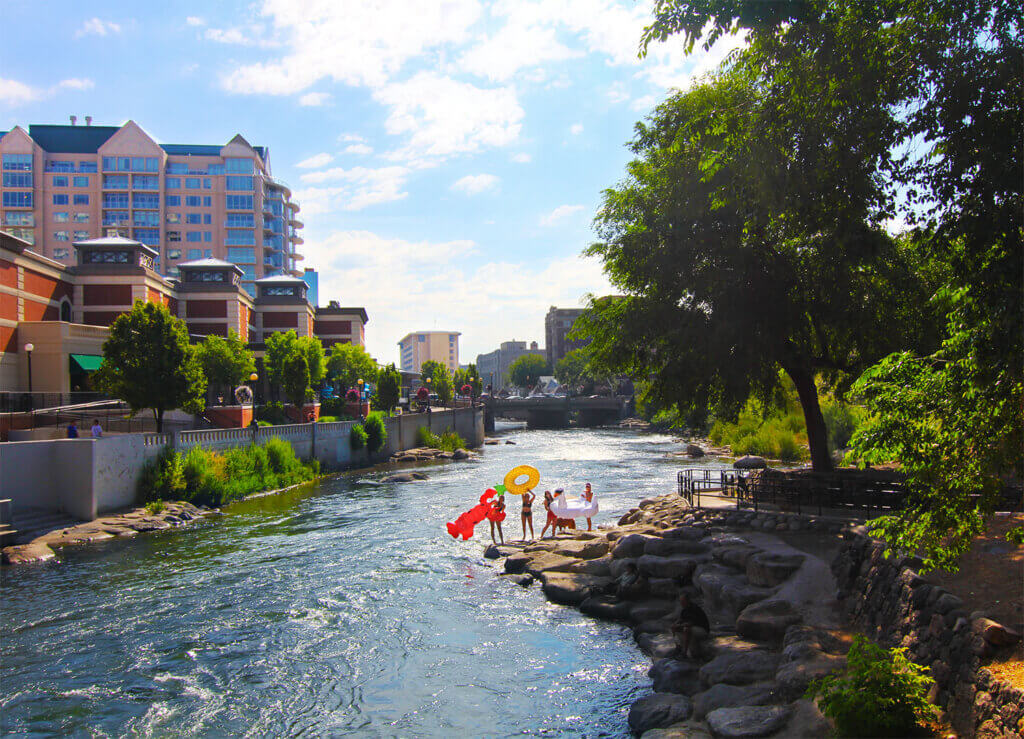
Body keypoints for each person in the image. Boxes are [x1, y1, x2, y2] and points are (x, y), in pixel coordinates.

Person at [671, 592, 711, 659]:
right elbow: (680, 619)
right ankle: (678, 647)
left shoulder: (695, 609)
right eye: (681, 601)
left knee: (687, 629)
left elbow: (690, 623)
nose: (681, 603)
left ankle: (685, 652)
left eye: (683, 601)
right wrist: (675, 625)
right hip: (693, 628)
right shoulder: (684, 610)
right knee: (675, 628)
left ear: (687, 601)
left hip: (703, 630)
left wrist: (680, 625)